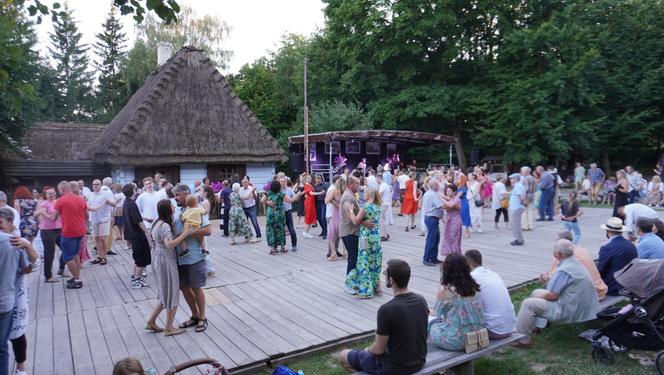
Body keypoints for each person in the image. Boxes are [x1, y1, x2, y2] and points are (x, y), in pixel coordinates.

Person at [339, 259, 428, 374]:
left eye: (385, 274)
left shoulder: (386, 309)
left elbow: (378, 350)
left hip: (395, 367)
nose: (384, 276)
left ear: (391, 280)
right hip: (418, 361)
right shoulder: (421, 300)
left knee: (343, 355)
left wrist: (368, 349)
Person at [513, 239, 600, 348]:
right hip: (580, 305)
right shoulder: (574, 263)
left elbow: (553, 296)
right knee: (536, 292)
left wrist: (542, 295)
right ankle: (536, 327)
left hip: (570, 310)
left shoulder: (564, 270)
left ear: (558, 254)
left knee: (528, 303)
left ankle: (522, 341)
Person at [145, 200, 192, 337]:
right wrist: (185, 233)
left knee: (165, 292)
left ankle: (151, 321)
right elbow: (169, 244)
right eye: (171, 206)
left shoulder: (156, 222)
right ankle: (169, 327)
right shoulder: (165, 225)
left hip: (157, 258)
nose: (173, 207)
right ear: (167, 209)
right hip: (165, 260)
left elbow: (152, 240)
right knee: (172, 292)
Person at [1, 208, 38, 375]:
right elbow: (29, 267)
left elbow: (31, 264)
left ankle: (21, 367)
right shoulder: (11, 241)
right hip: (7, 294)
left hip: (16, 292)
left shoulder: (17, 241)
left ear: (10, 223)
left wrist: (27, 245)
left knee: (17, 332)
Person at [172, 184, 211, 333]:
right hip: (179, 257)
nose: (176, 198)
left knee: (196, 287)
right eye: (175, 195)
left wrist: (187, 234)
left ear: (187, 195)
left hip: (195, 256)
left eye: (179, 195)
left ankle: (202, 317)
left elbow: (207, 230)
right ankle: (194, 315)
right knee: (184, 288)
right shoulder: (176, 211)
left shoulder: (198, 209)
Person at [429, 253, 484, 351]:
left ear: (446, 269)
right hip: (478, 336)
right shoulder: (475, 287)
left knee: (431, 324)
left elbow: (437, 313)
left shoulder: (447, 290)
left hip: (457, 341)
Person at [465, 249, 516, 339]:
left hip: (494, 330)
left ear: (468, 264)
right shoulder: (493, 274)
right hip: (510, 327)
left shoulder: (472, 278)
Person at [541, 231, 608, 300]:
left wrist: (546, 277)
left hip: (589, 295)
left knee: (546, 290)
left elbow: (555, 278)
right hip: (599, 290)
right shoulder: (582, 250)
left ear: (559, 242)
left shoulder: (563, 254)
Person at [345, 188, 382, 298]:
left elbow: (355, 222)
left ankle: (366, 290)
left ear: (369, 195)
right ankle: (376, 287)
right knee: (374, 261)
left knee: (363, 262)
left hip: (366, 238)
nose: (362, 195)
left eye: (364, 193)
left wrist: (350, 211)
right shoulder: (377, 207)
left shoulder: (365, 207)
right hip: (375, 237)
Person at [50, 181, 87, 289]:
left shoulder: (60, 201)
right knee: (75, 254)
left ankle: (77, 280)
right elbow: (86, 215)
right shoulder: (80, 199)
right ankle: (76, 276)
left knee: (68, 257)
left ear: (61, 190)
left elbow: (53, 218)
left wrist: (43, 213)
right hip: (80, 231)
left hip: (68, 232)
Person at [596, 217, 638, 295]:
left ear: (608, 231)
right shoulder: (631, 245)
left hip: (614, 287)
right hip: (629, 284)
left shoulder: (607, 248)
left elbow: (600, 271)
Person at [122, 183, 152, 289]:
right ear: (133, 191)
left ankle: (135, 276)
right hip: (137, 235)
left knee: (137, 257)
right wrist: (147, 233)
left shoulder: (126, 203)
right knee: (142, 258)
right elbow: (138, 221)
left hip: (131, 234)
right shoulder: (132, 204)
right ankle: (137, 280)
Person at [34, 186, 65, 282]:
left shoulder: (57, 201)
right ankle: (48, 276)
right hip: (47, 231)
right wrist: (42, 213)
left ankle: (61, 269)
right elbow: (36, 214)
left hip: (59, 229)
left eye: (53, 193)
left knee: (66, 249)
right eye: (49, 193)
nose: (52, 195)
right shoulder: (43, 204)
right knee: (49, 254)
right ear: (45, 195)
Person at [340, 176, 362, 294]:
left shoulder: (349, 195)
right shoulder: (348, 197)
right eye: (357, 183)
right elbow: (350, 217)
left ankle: (353, 281)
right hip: (350, 231)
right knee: (353, 258)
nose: (358, 185)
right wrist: (365, 222)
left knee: (354, 257)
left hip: (350, 231)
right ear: (350, 185)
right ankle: (348, 284)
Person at [87, 179, 116, 266]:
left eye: (97, 184)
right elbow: (88, 205)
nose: (95, 186)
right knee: (97, 238)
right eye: (93, 184)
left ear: (100, 185)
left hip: (104, 218)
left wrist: (109, 202)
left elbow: (114, 204)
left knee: (103, 238)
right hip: (94, 218)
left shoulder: (106, 193)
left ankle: (104, 257)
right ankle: (99, 256)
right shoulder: (90, 195)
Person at [421, 179, 444, 266]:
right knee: (431, 239)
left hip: (431, 218)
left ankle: (433, 258)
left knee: (435, 239)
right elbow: (442, 205)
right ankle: (426, 259)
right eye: (437, 185)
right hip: (432, 219)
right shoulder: (433, 195)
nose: (438, 186)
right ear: (432, 186)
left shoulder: (428, 193)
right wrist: (452, 205)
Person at [263, 180, 287, 254]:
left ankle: (272, 249)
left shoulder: (268, 193)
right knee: (281, 229)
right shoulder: (281, 194)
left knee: (270, 229)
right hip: (280, 214)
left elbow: (262, 200)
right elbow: (291, 200)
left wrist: (268, 202)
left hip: (271, 214)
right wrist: (299, 194)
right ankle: (282, 247)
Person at [280, 177, 303, 252]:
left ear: (286, 182)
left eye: (284, 181)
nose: (283, 183)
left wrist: (298, 195)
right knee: (281, 229)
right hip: (280, 212)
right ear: (279, 182)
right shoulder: (277, 190)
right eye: (281, 181)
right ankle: (282, 245)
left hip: (288, 211)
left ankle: (294, 245)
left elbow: (296, 199)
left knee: (291, 228)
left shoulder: (289, 190)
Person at [440, 184, 463, 259]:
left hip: (455, 219)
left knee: (454, 237)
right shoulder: (448, 199)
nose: (448, 192)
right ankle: (449, 255)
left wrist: (441, 198)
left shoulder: (456, 198)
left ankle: (455, 255)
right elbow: (444, 206)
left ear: (454, 192)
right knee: (447, 237)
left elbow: (450, 205)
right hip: (449, 219)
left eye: (449, 191)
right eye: (447, 191)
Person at [325, 176, 344, 259]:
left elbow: (326, 201)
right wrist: (334, 203)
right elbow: (326, 201)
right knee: (337, 233)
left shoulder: (338, 191)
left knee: (335, 233)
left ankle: (334, 252)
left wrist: (333, 202)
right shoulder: (335, 190)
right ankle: (336, 252)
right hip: (339, 213)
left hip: (339, 213)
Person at [508, 173, 526, 246]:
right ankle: (519, 239)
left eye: (512, 179)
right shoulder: (517, 186)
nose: (510, 180)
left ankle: (519, 240)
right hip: (516, 207)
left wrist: (522, 203)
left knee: (515, 225)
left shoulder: (518, 186)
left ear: (516, 179)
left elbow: (521, 197)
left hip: (517, 207)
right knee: (515, 224)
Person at [377, 174, 393, 241]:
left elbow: (379, 195)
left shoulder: (382, 185)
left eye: (376, 179)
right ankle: (385, 234)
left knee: (381, 220)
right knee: (382, 219)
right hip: (386, 203)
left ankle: (384, 235)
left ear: (378, 178)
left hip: (383, 204)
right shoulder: (386, 185)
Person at [313, 174, 329, 239]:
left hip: (323, 202)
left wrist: (325, 193)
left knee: (323, 217)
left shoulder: (325, 185)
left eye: (319, 178)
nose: (317, 180)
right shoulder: (315, 186)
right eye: (316, 178)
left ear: (321, 179)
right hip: (317, 203)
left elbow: (328, 192)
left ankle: (326, 232)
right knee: (319, 218)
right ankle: (323, 230)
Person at [301, 174, 317, 239]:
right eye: (308, 178)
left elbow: (305, 193)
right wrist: (320, 193)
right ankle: (305, 232)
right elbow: (311, 193)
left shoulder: (309, 185)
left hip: (311, 202)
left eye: (310, 178)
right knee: (308, 216)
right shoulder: (307, 185)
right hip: (309, 202)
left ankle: (307, 232)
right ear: (305, 179)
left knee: (310, 216)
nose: (309, 179)